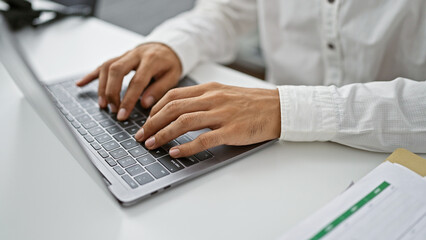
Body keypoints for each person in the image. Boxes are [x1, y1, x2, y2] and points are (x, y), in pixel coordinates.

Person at [76, 0, 426, 158]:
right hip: (273, 148)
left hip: (398, 156)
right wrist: (172, 45)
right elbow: (227, 11)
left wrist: (286, 108)